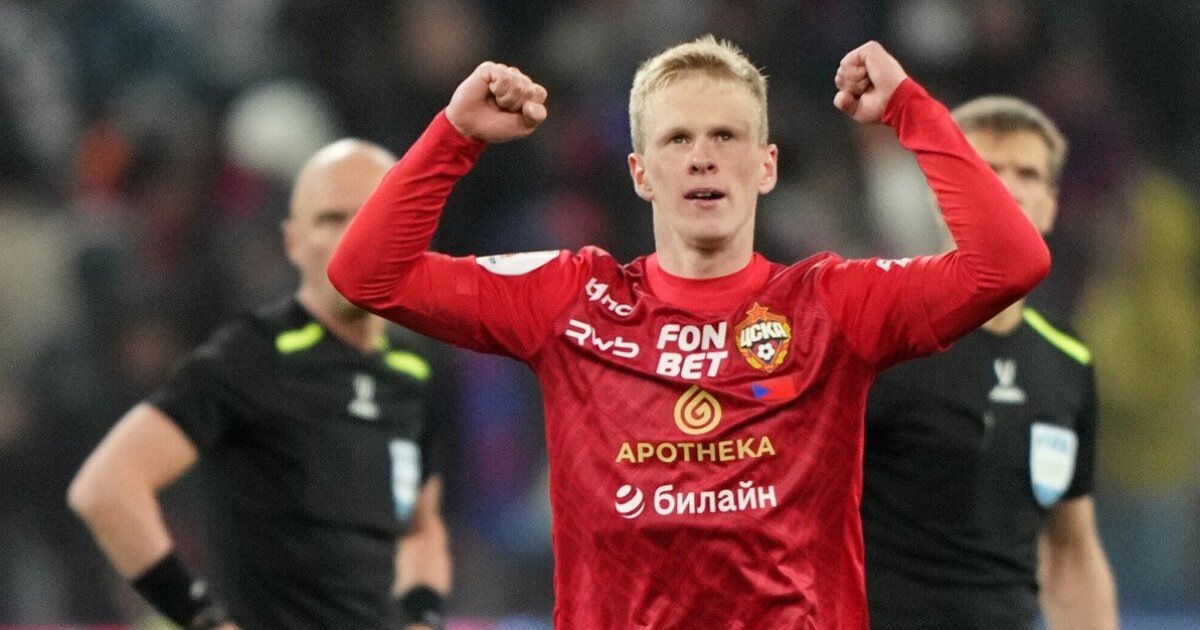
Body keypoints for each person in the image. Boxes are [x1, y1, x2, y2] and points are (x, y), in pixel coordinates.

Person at [328, 36, 1050, 628]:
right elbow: (367, 275)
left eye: (725, 135)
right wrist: (454, 135)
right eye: (678, 138)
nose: (703, 155)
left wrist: (910, 110)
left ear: (766, 166)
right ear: (641, 173)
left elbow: (1009, 263)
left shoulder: (830, 305)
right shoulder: (571, 298)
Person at [68, 140, 452, 630]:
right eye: (332, 219)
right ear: (293, 242)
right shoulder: (252, 358)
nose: (353, 237)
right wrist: (205, 620)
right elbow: (106, 487)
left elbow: (421, 527)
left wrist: (423, 617)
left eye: (374, 216)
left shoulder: (413, 372)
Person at [861, 96, 1118, 629]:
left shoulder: (1067, 360)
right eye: (987, 170)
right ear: (942, 195)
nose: (1008, 188)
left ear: (1051, 205)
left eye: (1028, 173)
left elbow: (1069, 550)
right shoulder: (876, 335)